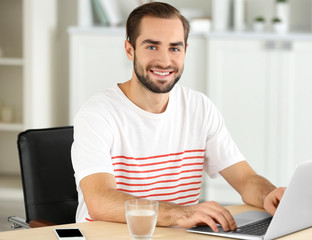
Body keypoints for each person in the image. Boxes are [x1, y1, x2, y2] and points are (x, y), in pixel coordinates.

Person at [71, 2, 285, 233]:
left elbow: (245, 179)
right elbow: (100, 202)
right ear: (129, 49)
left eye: (175, 48)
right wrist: (180, 212)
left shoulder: (200, 108)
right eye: (152, 47)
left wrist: (269, 195)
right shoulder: (98, 113)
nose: (165, 61)